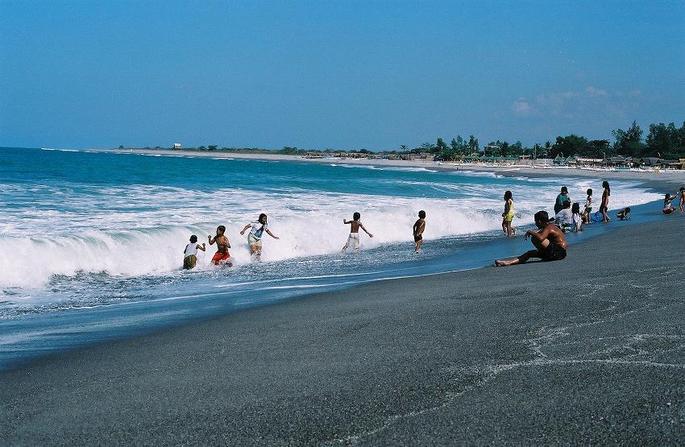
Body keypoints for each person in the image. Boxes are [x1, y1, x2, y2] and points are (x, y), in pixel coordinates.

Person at [495, 210, 568, 267]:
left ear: (539, 221)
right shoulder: (549, 226)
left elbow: (541, 238)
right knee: (529, 253)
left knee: (535, 237)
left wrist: (530, 232)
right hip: (556, 253)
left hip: (558, 252)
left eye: (536, 221)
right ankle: (508, 262)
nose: (535, 224)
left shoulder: (549, 228)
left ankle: (546, 255)